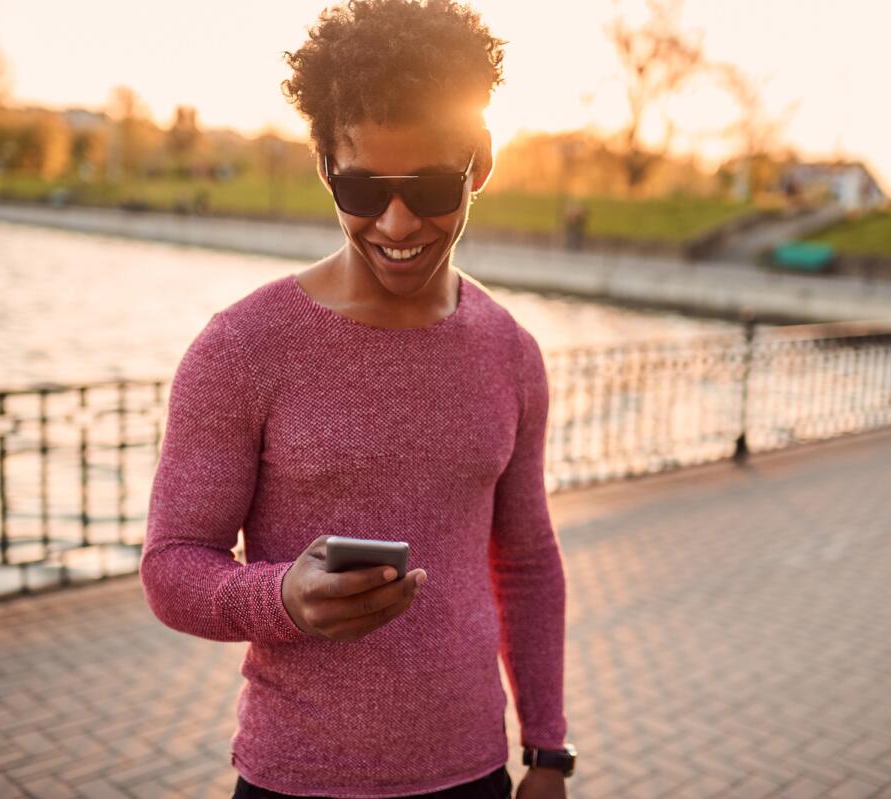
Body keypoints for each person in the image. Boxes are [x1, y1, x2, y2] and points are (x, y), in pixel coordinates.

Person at [138, 2, 574, 798]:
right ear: (323, 165)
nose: (398, 221)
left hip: (476, 772)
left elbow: (528, 559)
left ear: (480, 162)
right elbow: (171, 568)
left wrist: (547, 749)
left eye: (433, 185)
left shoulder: (511, 351)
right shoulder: (242, 349)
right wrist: (281, 599)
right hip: (298, 780)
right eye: (365, 186)